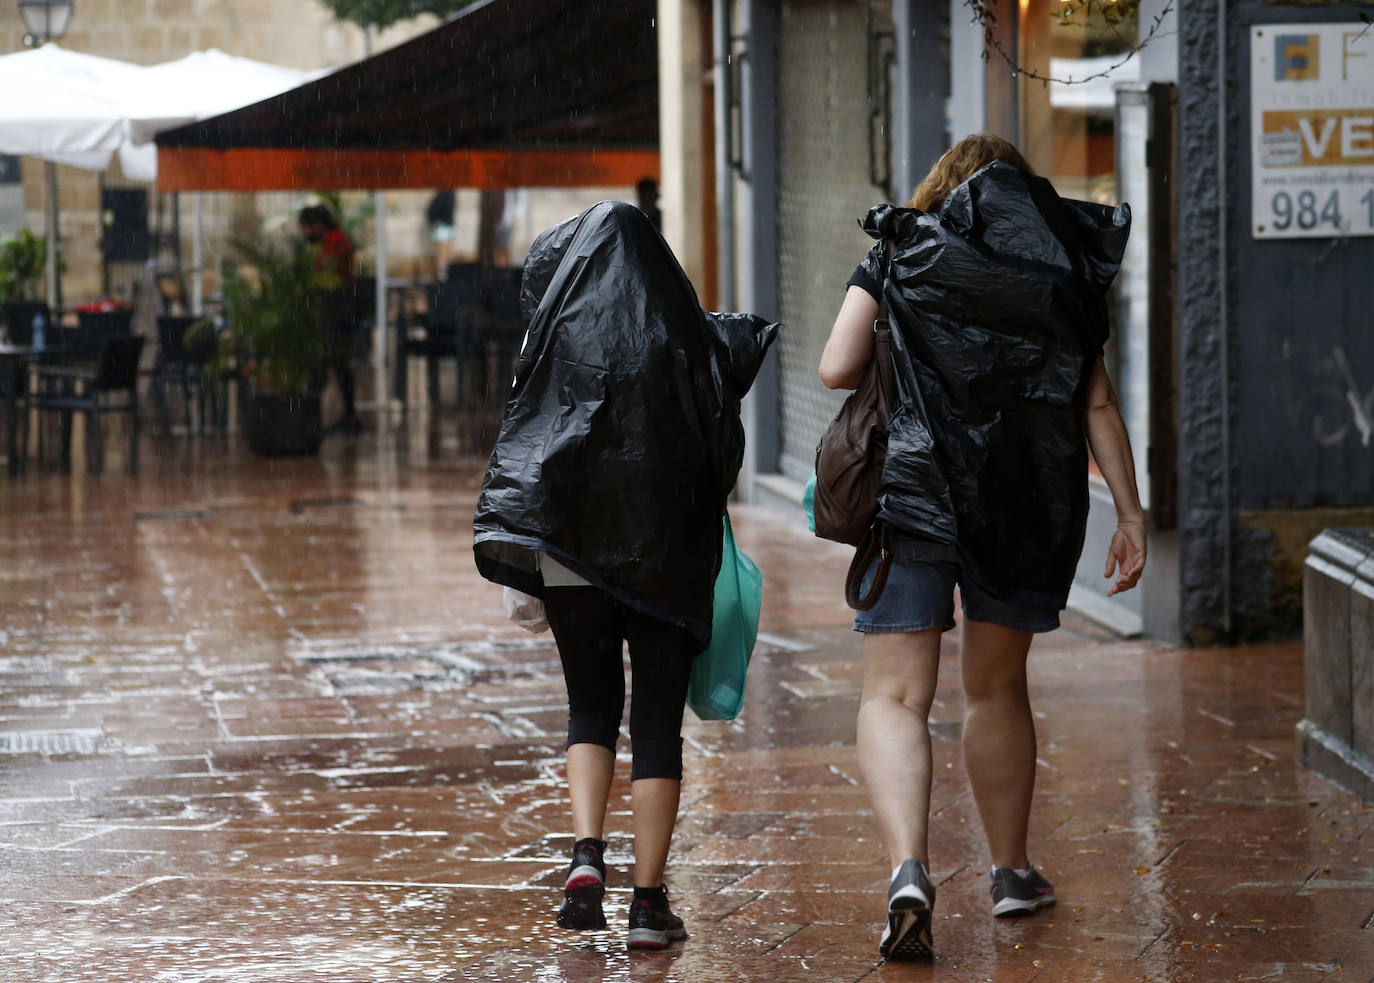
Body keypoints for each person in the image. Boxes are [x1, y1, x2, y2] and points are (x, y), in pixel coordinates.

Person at [818, 134, 1147, 960]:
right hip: (1020, 499)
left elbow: (835, 366)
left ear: (939, 187)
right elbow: (1096, 404)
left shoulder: (900, 249)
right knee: (998, 688)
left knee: (895, 694)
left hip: (917, 494)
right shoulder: (1057, 270)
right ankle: (1009, 873)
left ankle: (907, 869)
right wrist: (1133, 516)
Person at [472, 201, 779, 950]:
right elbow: (723, 435)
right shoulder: (680, 332)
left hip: (573, 562)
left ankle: (585, 856)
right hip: (664, 560)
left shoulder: (550, 343)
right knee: (656, 726)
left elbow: (525, 455)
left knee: (590, 705)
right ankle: (648, 902)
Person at [297, 204, 362, 434]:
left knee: (334, 363)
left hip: (337, 312)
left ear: (317, 225)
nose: (304, 234)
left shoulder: (335, 243)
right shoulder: (332, 241)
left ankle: (327, 416)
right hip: (334, 312)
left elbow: (327, 272)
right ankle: (323, 415)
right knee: (332, 364)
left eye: (306, 228)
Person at [425, 190, 456, 279]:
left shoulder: (450, 193)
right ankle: (441, 276)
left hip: (448, 225)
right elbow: (432, 210)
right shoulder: (443, 194)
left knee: (448, 254)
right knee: (442, 254)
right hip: (442, 226)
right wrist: (435, 222)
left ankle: (445, 276)